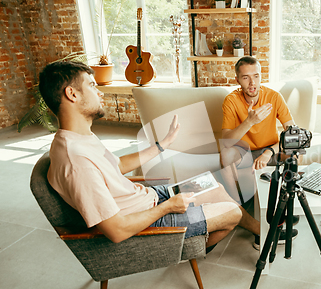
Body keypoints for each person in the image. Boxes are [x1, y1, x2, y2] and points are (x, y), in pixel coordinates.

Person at [39, 60, 242, 252]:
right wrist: (167, 208)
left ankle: (247, 230)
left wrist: (162, 145)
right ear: (72, 94)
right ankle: (185, 252)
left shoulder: (79, 138)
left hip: (149, 199)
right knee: (233, 213)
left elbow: (116, 164)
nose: (99, 92)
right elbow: (116, 230)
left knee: (213, 186)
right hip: (147, 220)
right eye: (92, 85)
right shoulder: (76, 160)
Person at [219, 56, 299, 249]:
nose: (252, 82)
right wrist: (249, 122)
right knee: (225, 155)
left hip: (270, 149)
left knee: (294, 154)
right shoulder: (231, 101)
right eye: (246, 77)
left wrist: (269, 152)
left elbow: (293, 136)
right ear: (237, 80)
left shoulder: (273, 97)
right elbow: (227, 142)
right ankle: (239, 211)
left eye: (256, 76)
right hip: (243, 150)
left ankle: (284, 209)